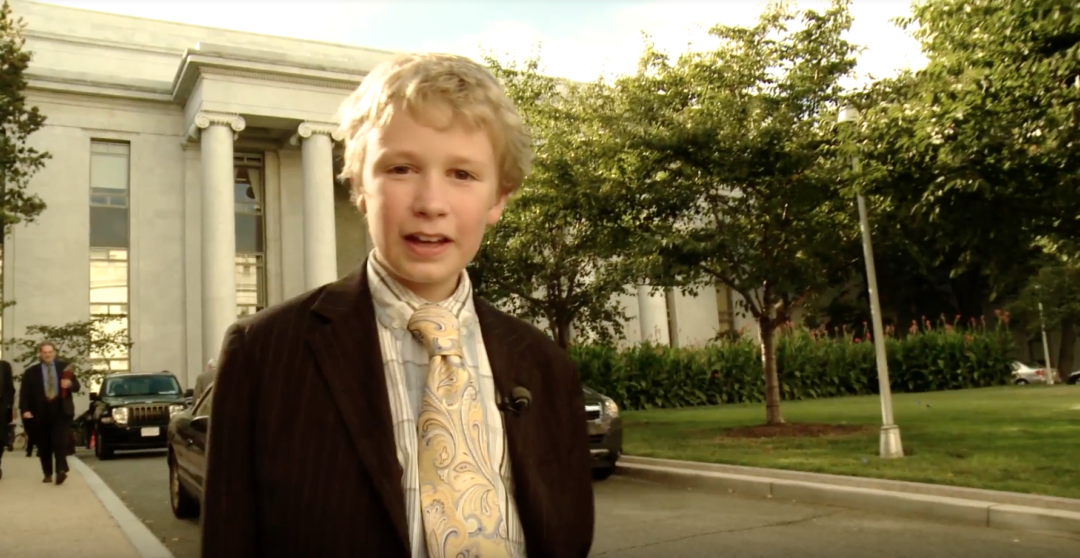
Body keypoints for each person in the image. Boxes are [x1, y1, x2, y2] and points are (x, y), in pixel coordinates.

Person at [201, 53, 594, 558]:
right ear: (359, 185)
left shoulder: (547, 367)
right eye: (401, 167)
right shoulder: (265, 354)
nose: (431, 202)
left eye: (463, 174)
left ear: (499, 199)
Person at [19, 342, 80, 484]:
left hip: (61, 410)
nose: (47, 355)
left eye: (50, 352)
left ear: (54, 352)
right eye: (44, 352)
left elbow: (76, 386)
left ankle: (60, 471)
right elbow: (24, 394)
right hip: (40, 412)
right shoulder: (31, 372)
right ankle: (47, 473)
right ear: (40, 354)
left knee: (60, 442)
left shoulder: (64, 368)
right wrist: (25, 410)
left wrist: (69, 385)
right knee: (44, 444)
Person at [0, 359, 13, 480]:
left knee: (0, 439)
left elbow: (10, 388)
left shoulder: (5, 366)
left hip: (1, 408)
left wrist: (7, 405)